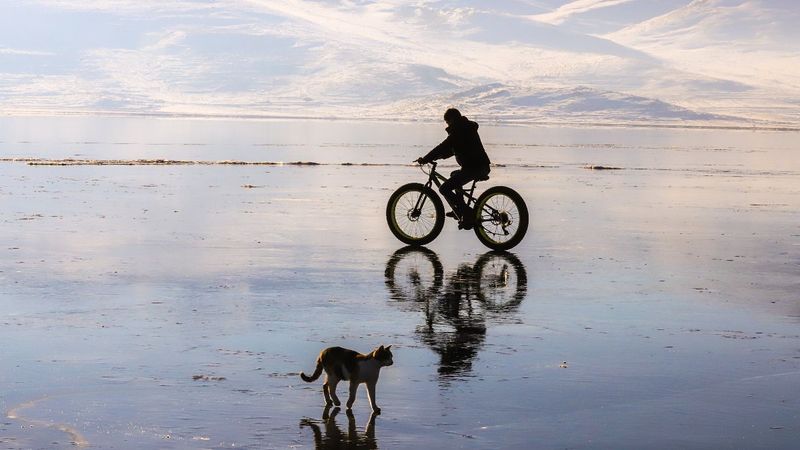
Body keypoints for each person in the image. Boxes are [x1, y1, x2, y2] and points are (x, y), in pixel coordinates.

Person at [416, 108, 491, 229]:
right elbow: (453, 149)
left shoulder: (458, 131)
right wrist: (438, 157)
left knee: (444, 188)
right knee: (454, 175)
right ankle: (460, 210)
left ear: (451, 120)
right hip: (480, 166)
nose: (447, 125)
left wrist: (425, 158)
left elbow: (443, 146)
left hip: (473, 168)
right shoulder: (466, 128)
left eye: (447, 122)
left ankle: (467, 212)